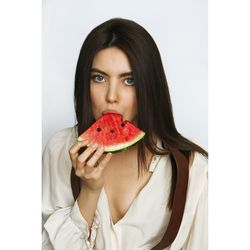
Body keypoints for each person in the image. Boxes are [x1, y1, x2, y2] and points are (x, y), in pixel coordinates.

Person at [42, 18, 208, 250]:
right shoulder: (60, 149)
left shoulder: (195, 170)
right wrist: (89, 191)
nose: (112, 96)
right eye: (98, 78)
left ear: (149, 86)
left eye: (129, 80)